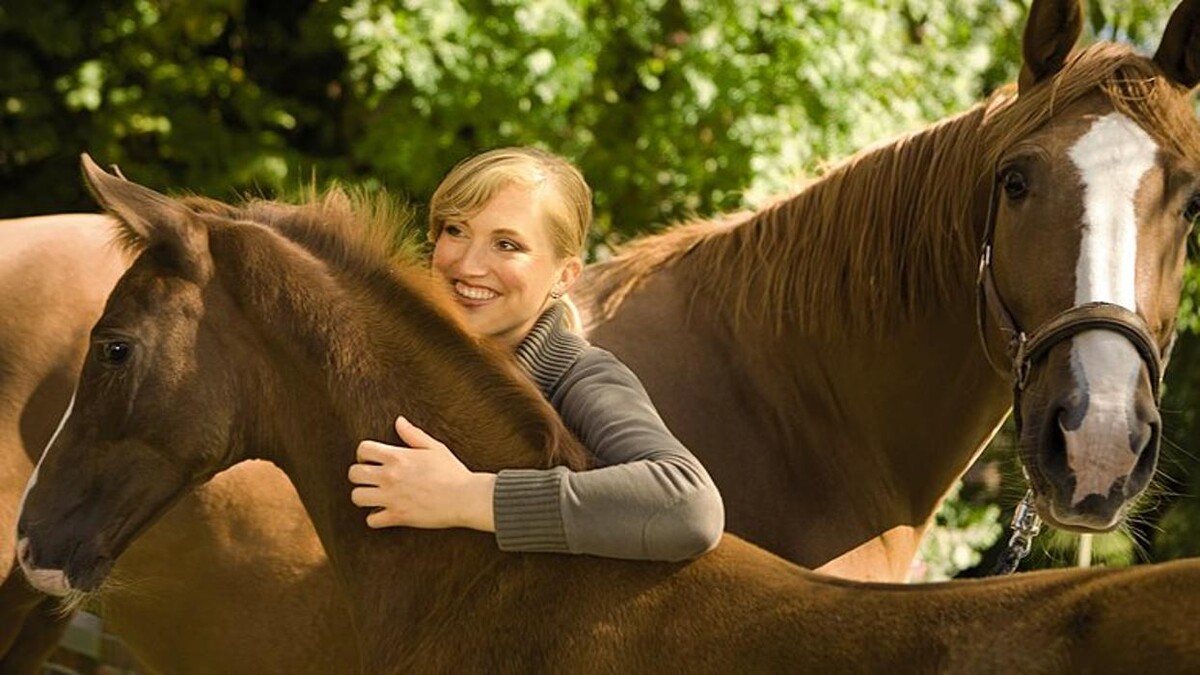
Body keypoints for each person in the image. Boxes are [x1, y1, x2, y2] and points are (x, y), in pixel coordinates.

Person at [347, 147, 723, 561]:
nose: (468, 265)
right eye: (456, 230)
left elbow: (689, 507)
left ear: (565, 276)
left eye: (506, 245)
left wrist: (467, 497)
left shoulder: (581, 376)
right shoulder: (386, 358)